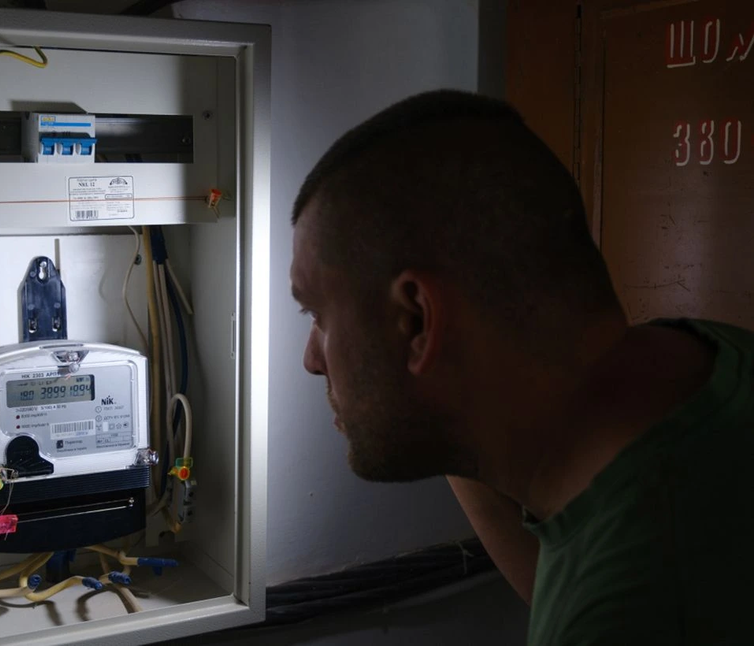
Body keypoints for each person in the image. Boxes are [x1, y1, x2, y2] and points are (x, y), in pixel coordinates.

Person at [289, 89, 754, 645]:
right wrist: (439, 395)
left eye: (318, 315)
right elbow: (557, 573)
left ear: (416, 320)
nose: (311, 360)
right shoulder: (697, 365)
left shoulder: (631, 611)